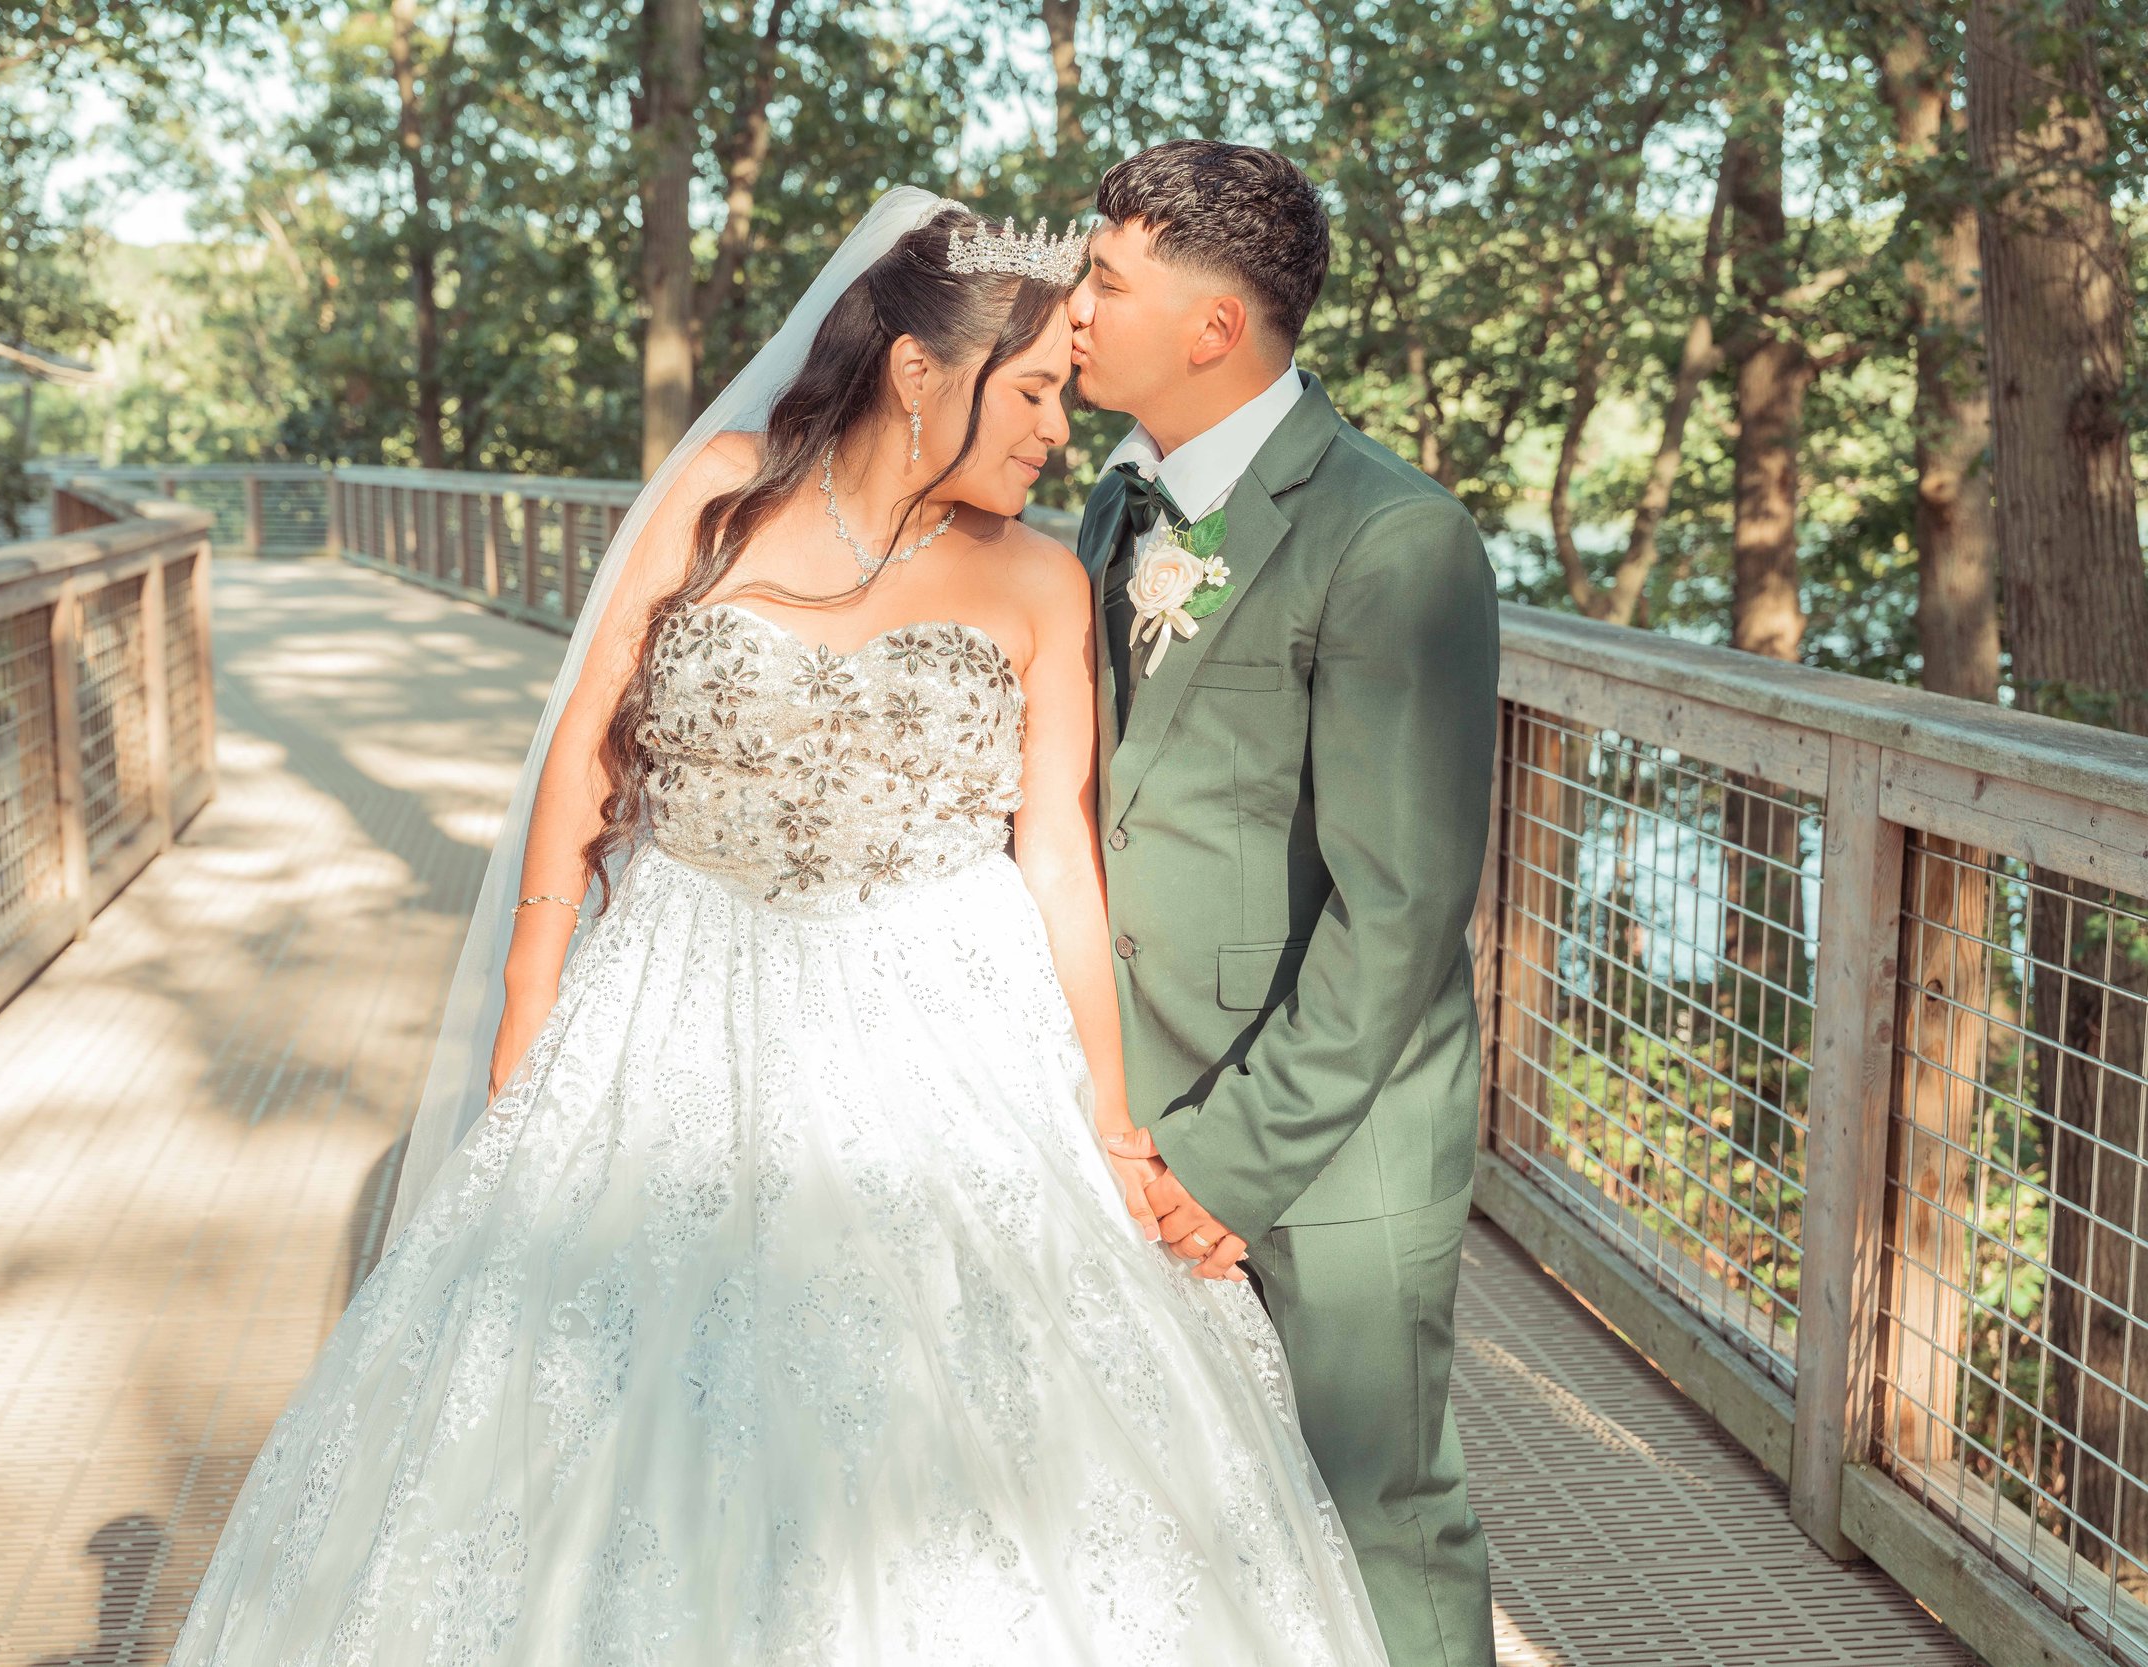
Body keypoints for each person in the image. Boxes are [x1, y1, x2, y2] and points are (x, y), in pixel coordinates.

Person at [165, 189, 1390, 1666]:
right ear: (920, 372)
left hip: (935, 1012)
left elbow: (1057, 850)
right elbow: (588, 753)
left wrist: (1111, 1116)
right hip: (670, 995)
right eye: (1040, 390)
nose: (1060, 431)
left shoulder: (1039, 579)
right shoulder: (722, 495)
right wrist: (527, 1008)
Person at [1073, 141, 1502, 1667]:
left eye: (1106, 280)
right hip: (1130, 1109)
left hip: (1330, 1134)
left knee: (1376, 1507)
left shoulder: (1395, 539)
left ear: (1212, 330)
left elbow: (1398, 915)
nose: (1073, 309)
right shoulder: (1115, 511)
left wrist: (1231, 1160)